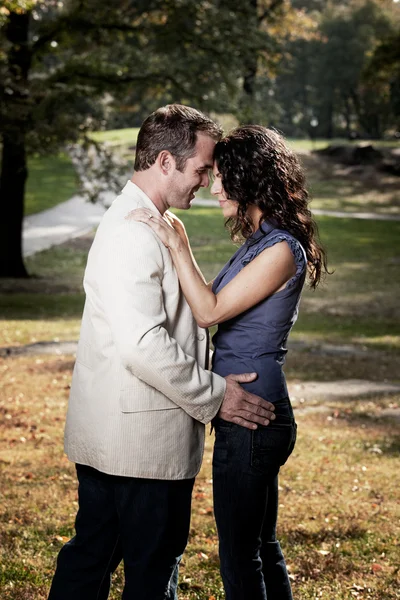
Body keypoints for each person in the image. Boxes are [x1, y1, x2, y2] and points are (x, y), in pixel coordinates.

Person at [47, 106, 277, 600]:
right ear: (167, 162)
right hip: (137, 447)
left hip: (126, 441)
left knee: (90, 560)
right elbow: (143, 345)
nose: (206, 182)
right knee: (146, 574)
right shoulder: (134, 230)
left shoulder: (158, 221)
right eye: (201, 170)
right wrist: (219, 397)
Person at [131, 124, 329, 600]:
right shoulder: (261, 241)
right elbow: (218, 307)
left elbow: (209, 311)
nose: (213, 186)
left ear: (249, 178)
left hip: (255, 412)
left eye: (222, 176)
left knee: (241, 556)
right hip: (251, 406)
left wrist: (177, 242)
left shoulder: (281, 248)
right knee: (260, 545)